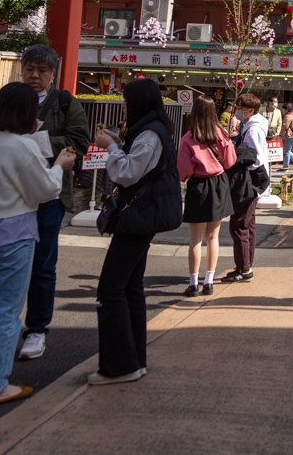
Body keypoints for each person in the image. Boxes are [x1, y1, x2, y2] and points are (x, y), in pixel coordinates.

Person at [0, 82, 77, 405]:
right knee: (6, 311)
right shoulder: (22, 147)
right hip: (12, 233)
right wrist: (60, 167)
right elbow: (45, 190)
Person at [88, 79, 181, 385]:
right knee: (130, 287)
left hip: (139, 216)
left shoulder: (150, 133)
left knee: (111, 288)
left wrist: (113, 146)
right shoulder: (152, 128)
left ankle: (119, 366)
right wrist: (118, 142)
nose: (123, 105)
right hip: (144, 215)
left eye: (126, 100)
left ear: (137, 102)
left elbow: (127, 173)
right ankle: (133, 361)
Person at [18, 44, 90, 362]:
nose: (34, 75)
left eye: (42, 70)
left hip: (49, 194)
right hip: (10, 195)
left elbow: (80, 142)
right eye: (29, 69)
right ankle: (1, 327)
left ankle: (37, 329)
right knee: (5, 264)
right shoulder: (9, 98)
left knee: (42, 265)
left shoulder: (64, 102)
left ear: (52, 74)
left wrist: (34, 142)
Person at [178, 96, 236, 298]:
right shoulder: (222, 135)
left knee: (195, 238)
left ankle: (193, 284)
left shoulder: (188, 137)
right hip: (219, 184)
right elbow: (230, 162)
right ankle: (209, 282)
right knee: (213, 236)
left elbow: (183, 170)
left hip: (197, 186)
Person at [224, 92, 268, 283]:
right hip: (254, 181)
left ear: (250, 110)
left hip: (249, 181)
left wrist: (239, 161)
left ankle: (244, 268)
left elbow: (254, 158)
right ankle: (245, 265)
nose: (237, 112)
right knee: (247, 224)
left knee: (239, 224)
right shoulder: (253, 125)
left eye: (240, 109)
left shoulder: (253, 130)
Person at [282, 104, 293, 169]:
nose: (283, 111)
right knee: (288, 151)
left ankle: (285, 166)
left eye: (283, 109)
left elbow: (285, 126)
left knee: (286, 152)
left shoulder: (288, 116)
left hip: (288, 135)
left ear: (287, 109)